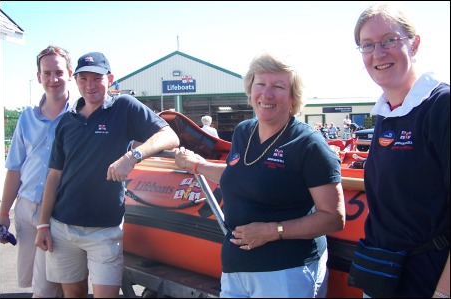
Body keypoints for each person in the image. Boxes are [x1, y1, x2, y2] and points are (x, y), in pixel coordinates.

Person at [174, 52, 345, 298]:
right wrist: (197, 165)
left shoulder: (308, 144)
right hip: (236, 270)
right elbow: (241, 175)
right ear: (250, 88)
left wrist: (272, 231)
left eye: (278, 86)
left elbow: (333, 218)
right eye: (260, 84)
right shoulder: (244, 132)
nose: (267, 94)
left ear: (293, 96)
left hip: (286, 272)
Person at [34, 52, 180, 298]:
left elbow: (170, 137)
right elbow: (53, 176)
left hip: (104, 229)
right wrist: (43, 224)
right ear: (76, 80)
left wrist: (131, 157)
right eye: (83, 79)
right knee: (73, 294)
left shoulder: (124, 107)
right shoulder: (67, 121)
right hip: (63, 227)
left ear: (109, 79)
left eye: (97, 79)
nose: (90, 85)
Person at [351, 2, 449, 298]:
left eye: (390, 40)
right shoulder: (386, 113)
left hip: (427, 280)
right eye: (367, 45)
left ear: (414, 44)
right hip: (385, 274)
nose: (378, 53)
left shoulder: (441, 107)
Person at [0, 45, 73, 298]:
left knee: (52, 285)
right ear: (39, 75)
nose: (53, 79)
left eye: (58, 72)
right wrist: (3, 213)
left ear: (70, 73)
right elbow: (14, 170)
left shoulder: (79, 116)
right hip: (26, 208)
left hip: (57, 211)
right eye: (47, 73)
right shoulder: (26, 119)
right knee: (40, 282)